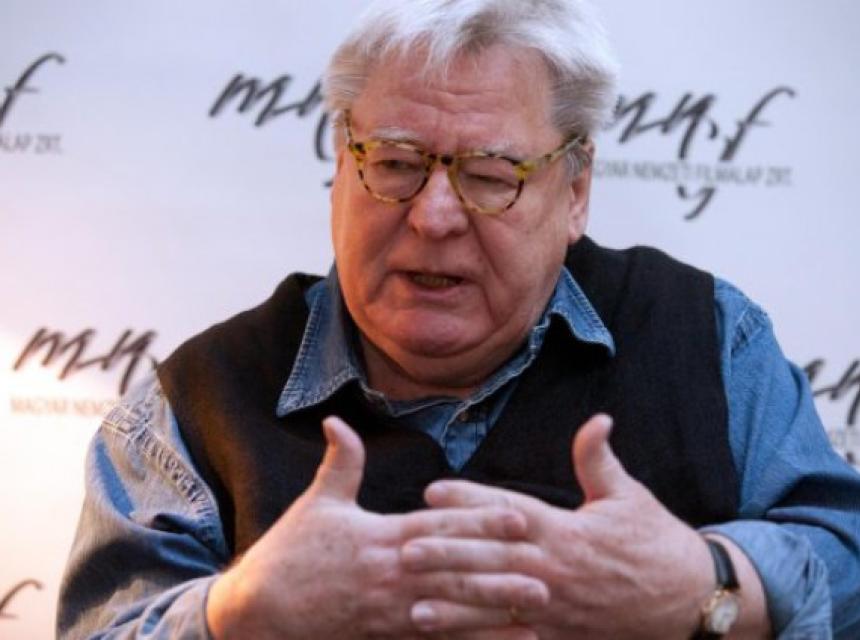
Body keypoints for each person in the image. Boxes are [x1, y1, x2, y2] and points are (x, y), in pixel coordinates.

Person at [58, 1, 860, 638]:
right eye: (396, 164)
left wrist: (709, 585)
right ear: (341, 162)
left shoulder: (710, 339)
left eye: (489, 175)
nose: (434, 216)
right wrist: (239, 615)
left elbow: (845, 553)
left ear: (575, 190)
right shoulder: (193, 407)